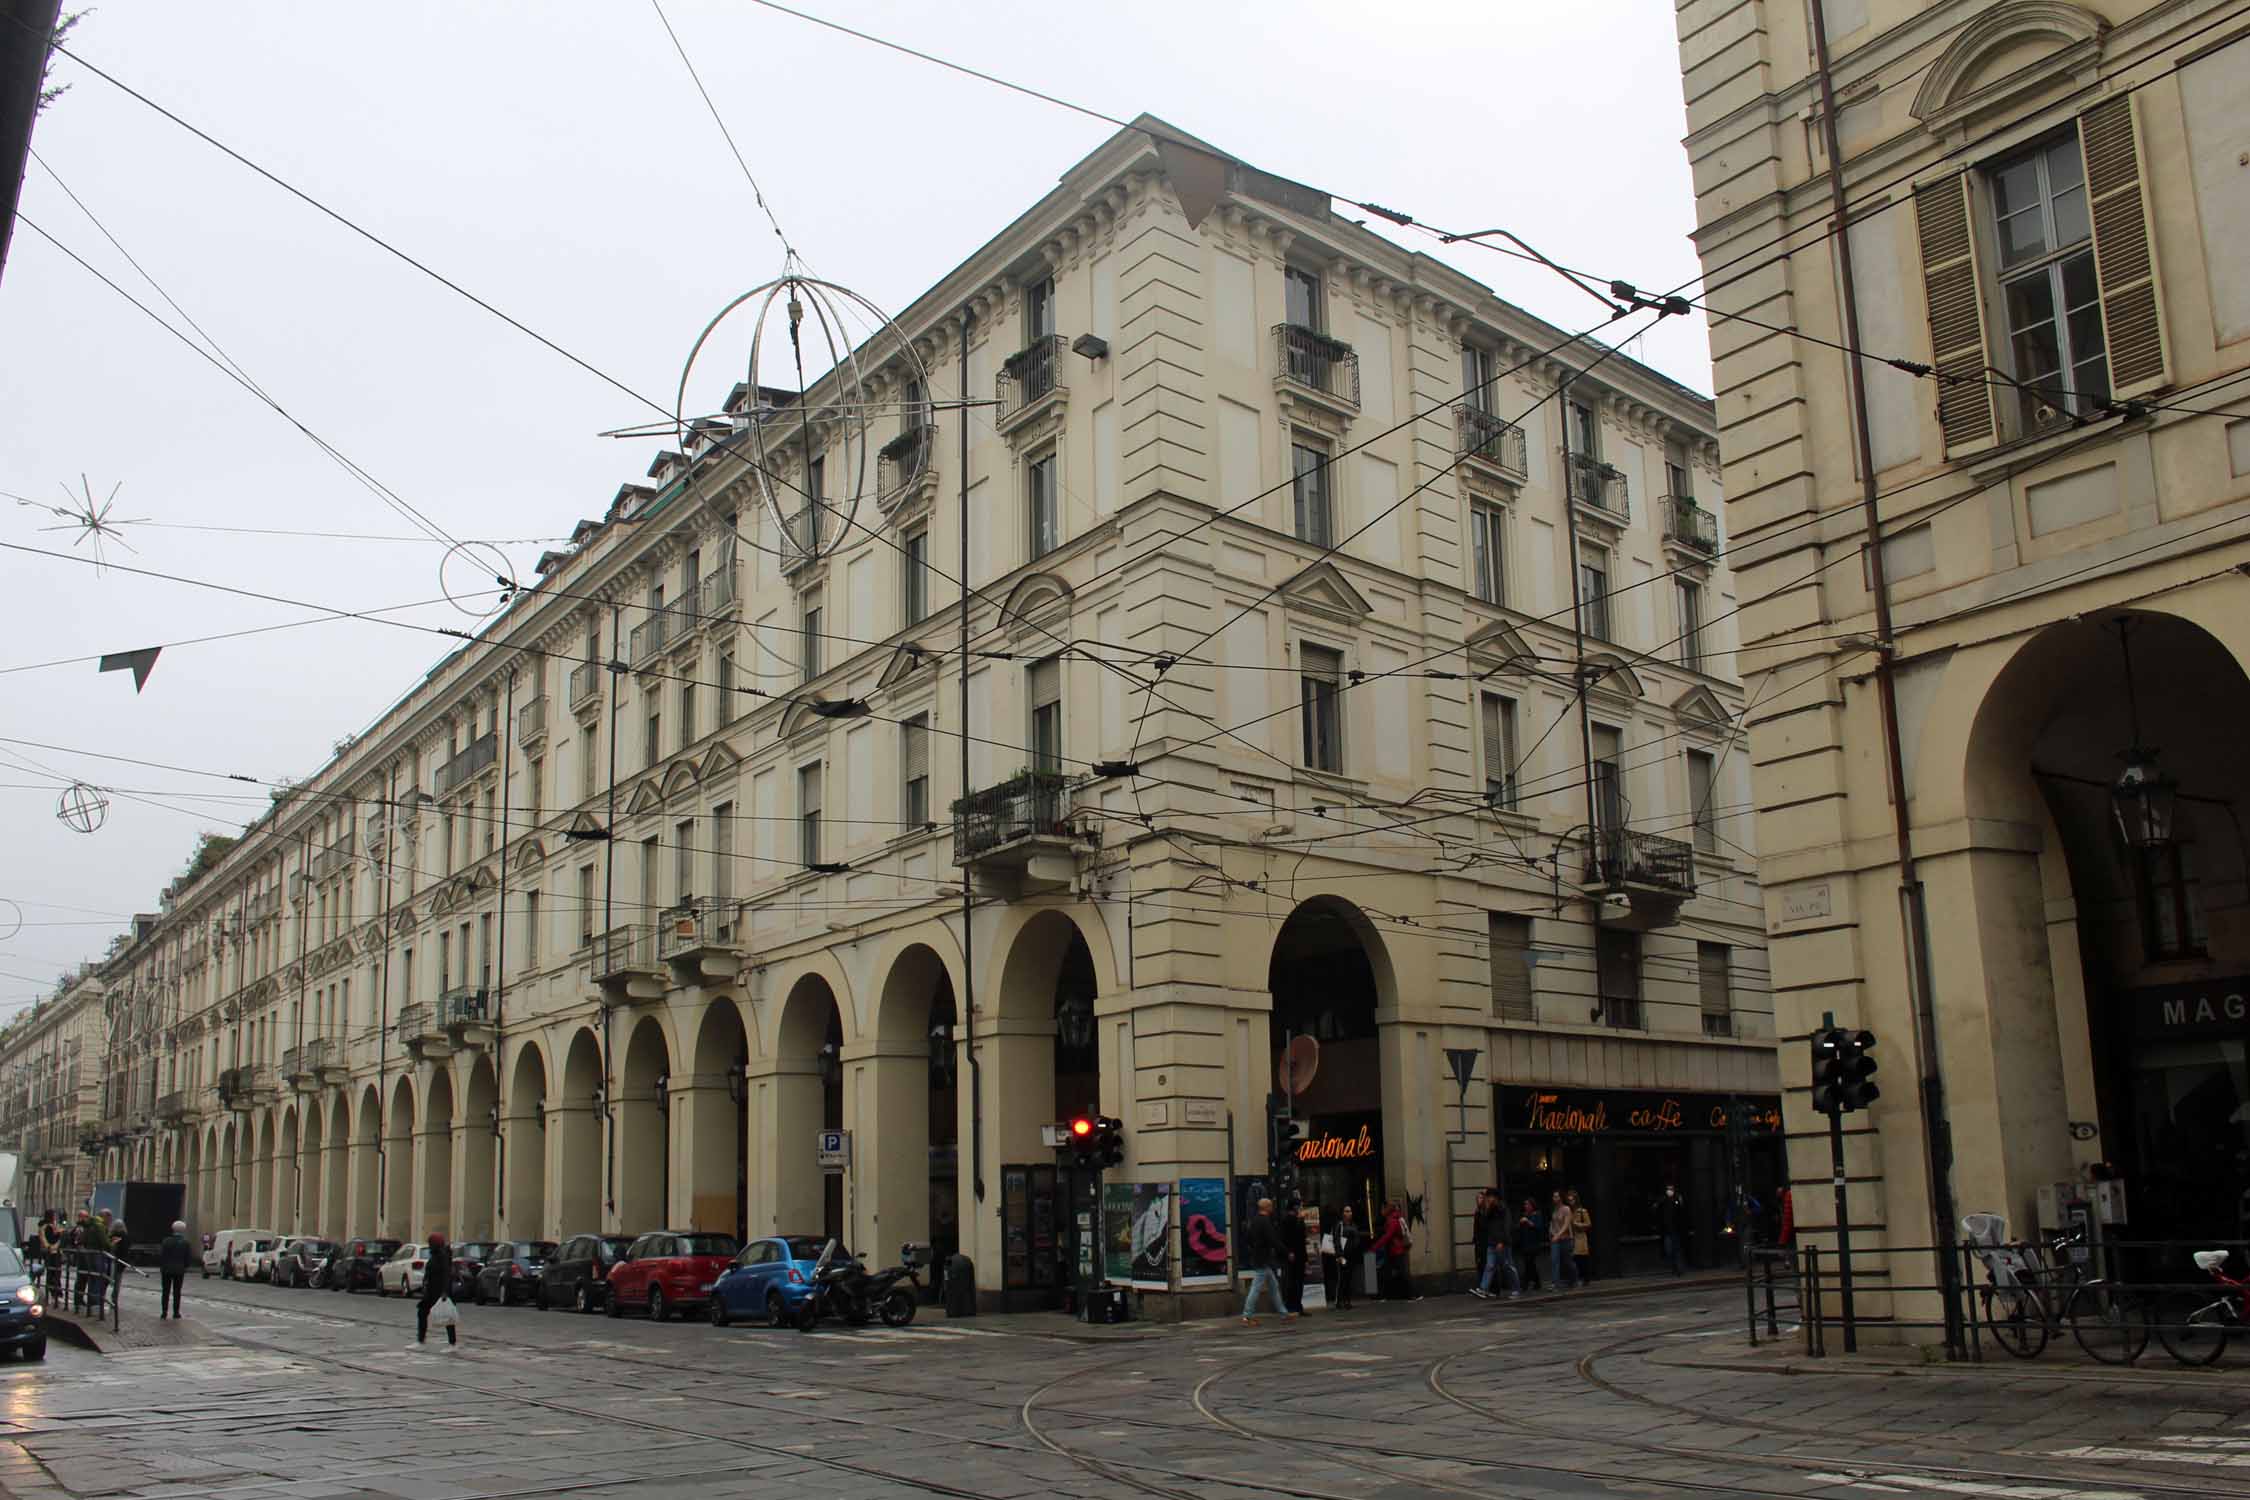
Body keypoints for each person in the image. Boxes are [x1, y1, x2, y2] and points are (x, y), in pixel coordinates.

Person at [1239, 1198, 1293, 1325]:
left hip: (1259, 1258)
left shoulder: (1254, 1220)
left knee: (1274, 1286)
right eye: (1271, 1206)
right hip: (1263, 1259)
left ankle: (1283, 1314)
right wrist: (1287, 1252)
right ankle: (1247, 1316)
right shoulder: (1265, 1221)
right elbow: (1273, 1240)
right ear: (1267, 1207)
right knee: (1256, 1288)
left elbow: (1248, 1238)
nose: (1272, 1208)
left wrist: (1255, 1248)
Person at [1471, 1189, 1519, 1300]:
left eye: (1489, 1197)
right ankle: (1483, 1289)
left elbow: (1507, 1226)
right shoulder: (1490, 1210)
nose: (1487, 1199)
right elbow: (1485, 1223)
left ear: (1495, 1197)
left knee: (1508, 1266)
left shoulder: (1503, 1209)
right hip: (1492, 1242)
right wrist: (1486, 1207)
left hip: (1503, 1243)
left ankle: (1516, 1289)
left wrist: (1502, 1241)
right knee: (1490, 1266)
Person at [415, 1231, 457, 1349]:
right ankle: (421, 1340)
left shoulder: (442, 1256)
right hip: (432, 1290)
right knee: (422, 1311)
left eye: (430, 1243)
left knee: (447, 1316)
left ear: (435, 1244)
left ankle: (452, 1343)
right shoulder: (436, 1254)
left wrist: (445, 1291)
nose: (429, 1245)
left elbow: (446, 1274)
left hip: (440, 1291)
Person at [1370, 1200, 1416, 1301]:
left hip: (1396, 1250)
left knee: (1401, 1274)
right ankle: (1384, 1296)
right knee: (1387, 1273)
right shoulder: (1394, 1218)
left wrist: (1375, 1247)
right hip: (1394, 1250)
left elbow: (1388, 1236)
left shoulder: (1392, 1220)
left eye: (1383, 1208)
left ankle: (1414, 1294)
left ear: (1387, 1209)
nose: (1381, 1211)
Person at [1330, 1205, 1365, 1311]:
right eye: (1346, 1211)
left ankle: (1347, 1300)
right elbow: (1336, 1240)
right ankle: (1339, 1301)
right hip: (1343, 1255)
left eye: (1350, 1211)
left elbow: (1357, 1238)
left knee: (1349, 1278)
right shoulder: (1340, 1225)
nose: (1349, 1213)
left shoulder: (1353, 1225)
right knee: (1342, 1278)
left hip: (1351, 1255)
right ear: (1342, 1213)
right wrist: (1339, 1255)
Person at [157, 1219, 193, 1318]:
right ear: (183, 1230)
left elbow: (161, 1255)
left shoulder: (166, 1241)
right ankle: (176, 1312)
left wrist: (162, 1265)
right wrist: (185, 1266)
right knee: (177, 1292)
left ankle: (164, 1312)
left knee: (165, 1291)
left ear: (173, 1229)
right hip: (179, 1271)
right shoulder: (186, 1243)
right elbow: (188, 1258)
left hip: (166, 1270)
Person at [1278, 1200, 1307, 1314]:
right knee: (1295, 1281)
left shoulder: (1290, 1219)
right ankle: (1294, 1306)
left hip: (1296, 1254)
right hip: (1295, 1255)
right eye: (1300, 1206)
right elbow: (1294, 1236)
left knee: (1295, 1281)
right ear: (1295, 1208)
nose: (1301, 1208)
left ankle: (1294, 1305)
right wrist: (1300, 1219)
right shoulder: (1290, 1220)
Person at [1512, 1197, 1546, 1293]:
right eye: (1525, 1204)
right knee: (1529, 1264)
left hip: (1533, 1243)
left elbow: (1538, 1227)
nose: (1525, 1206)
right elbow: (1518, 1228)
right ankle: (1537, 1281)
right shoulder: (1524, 1215)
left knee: (1529, 1263)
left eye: (1527, 1204)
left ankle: (1524, 1284)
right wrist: (1520, 1223)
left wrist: (1527, 1221)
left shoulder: (1537, 1215)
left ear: (1532, 1206)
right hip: (1525, 1243)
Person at [1547, 1190, 1579, 1290]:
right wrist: (1551, 1233)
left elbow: (1566, 1224)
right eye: (1553, 1197)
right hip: (1555, 1240)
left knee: (1568, 1262)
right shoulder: (1554, 1210)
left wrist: (1558, 1235)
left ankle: (1574, 1280)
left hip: (1566, 1239)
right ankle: (1555, 1283)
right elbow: (1552, 1223)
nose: (1554, 1199)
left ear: (1560, 1198)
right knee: (1554, 1260)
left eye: (1556, 1197)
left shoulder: (1566, 1209)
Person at [1657, 1185, 1687, 1276]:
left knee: (1676, 1250)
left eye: (1671, 1190)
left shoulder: (1677, 1200)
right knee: (1669, 1250)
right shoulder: (1663, 1200)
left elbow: (1681, 1213)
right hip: (1668, 1230)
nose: (1669, 1191)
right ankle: (1676, 1268)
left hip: (1675, 1230)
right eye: (1668, 1190)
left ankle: (1679, 1269)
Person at [1569, 1189, 1592, 1285]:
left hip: (1581, 1237)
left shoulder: (1582, 1211)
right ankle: (1578, 1278)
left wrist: (1578, 1224)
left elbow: (1589, 1224)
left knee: (1582, 1258)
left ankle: (1585, 1279)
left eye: (1572, 1200)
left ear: (1576, 1200)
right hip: (1573, 1237)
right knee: (1575, 1259)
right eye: (1569, 1200)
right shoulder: (1569, 1212)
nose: (1570, 1202)